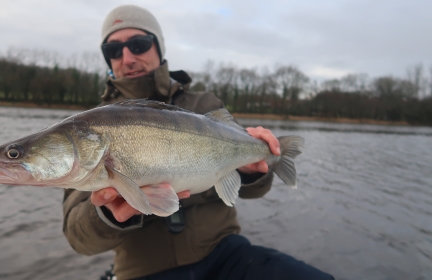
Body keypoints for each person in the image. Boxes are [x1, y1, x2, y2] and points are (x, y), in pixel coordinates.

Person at [63, 5, 334, 280]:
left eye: (139, 44)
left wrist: (254, 170)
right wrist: (107, 215)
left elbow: (250, 191)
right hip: (142, 271)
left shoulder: (204, 107)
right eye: (113, 50)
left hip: (224, 255)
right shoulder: (88, 127)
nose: (128, 57)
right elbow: (78, 238)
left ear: (159, 47)